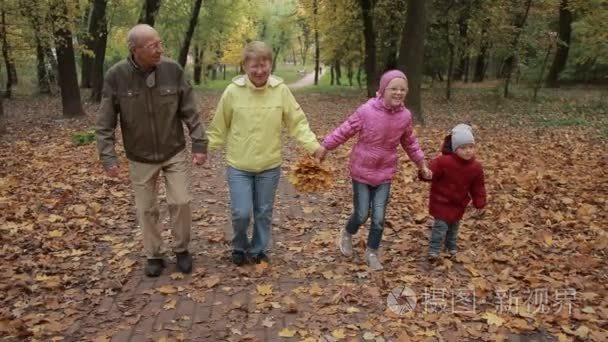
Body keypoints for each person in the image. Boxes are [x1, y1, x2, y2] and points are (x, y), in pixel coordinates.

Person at [96, 24, 208, 277]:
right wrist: (107, 155)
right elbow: (104, 121)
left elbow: (191, 110)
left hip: (173, 150)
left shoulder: (172, 70)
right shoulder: (116, 76)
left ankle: (181, 250)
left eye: (160, 43)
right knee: (146, 208)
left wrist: (199, 143)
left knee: (181, 201)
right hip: (140, 155)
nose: (160, 49)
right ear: (135, 50)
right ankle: (154, 254)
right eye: (153, 45)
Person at [206, 41, 325, 266]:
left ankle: (259, 249)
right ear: (245, 66)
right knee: (241, 212)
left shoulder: (280, 91)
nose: (260, 71)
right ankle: (239, 246)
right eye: (254, 66)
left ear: (271, 64)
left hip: (269, 165)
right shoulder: (233, 92)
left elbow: (297, 122)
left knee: (263, 211)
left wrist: (313, 146)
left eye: (264, 65)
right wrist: (205, 150)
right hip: (239, 165)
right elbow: (218, 126)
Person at [317, 70, 432, 271]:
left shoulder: (405, 116)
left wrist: (421, 164)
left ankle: (372, 252)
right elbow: (345, 130)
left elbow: (410, 142)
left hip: (385, 173)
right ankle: (347, 232)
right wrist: (326, 146)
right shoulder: (366, 111)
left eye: (403, 89)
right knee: (362, 214)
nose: (398, 93)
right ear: (382, 89)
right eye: (393, 88)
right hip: (361, 171)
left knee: (378, 218)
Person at [421, 124, 487, 262]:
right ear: (455, 149)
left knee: (454, 226)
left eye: (470, 147)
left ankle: (451, 246)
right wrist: (425, 174)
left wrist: (480, 203)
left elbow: (478, 187)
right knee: (440, 227)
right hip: (441, 201)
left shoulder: (475, 167)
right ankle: (434, 250)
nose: (468, 151)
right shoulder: (442, 162)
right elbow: (430, 172)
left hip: (458, 202)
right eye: (463, 148)